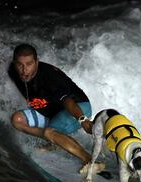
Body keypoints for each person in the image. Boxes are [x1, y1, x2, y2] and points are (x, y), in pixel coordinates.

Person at [8, 43, 103, 173]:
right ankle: (55, 141)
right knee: (17, 120)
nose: (24, 70)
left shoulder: (49, 78)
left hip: (78, 108)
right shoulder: (13, 71)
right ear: (14, 63)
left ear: (37, 62)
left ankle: (91, 161)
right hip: (51, 112)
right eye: (20, 65)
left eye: (29, 64)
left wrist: (83, 120)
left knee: (49, 131)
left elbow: (67, 101)